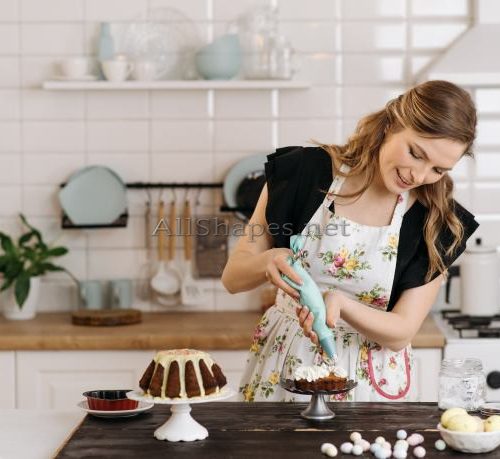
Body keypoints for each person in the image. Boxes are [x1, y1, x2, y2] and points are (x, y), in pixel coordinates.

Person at [221, 80, 480, 402]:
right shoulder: (303, 172)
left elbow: (402, 331)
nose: (418, 175)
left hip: (371, 382)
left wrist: (342, 304)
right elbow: (233, 278)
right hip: (284, 365)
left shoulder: (439, 222)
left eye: (438, 169)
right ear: (392, 124)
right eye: (416, 153)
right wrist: (268, 260)